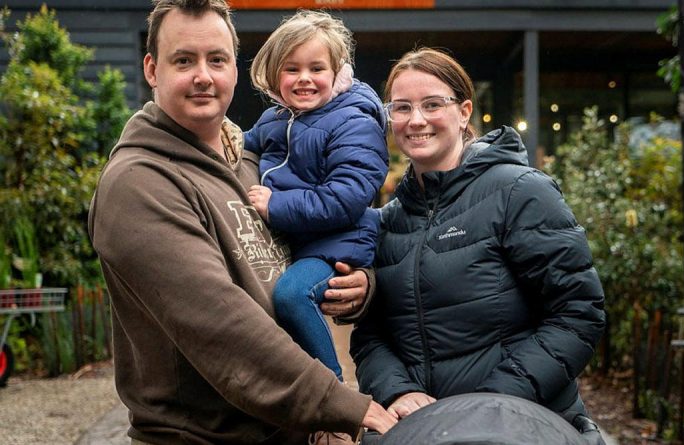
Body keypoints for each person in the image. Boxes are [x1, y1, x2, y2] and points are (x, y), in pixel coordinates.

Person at [87, 1, 396, 444]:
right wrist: (342, 404)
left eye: (217, 59)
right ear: (152, 70)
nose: (203, 75)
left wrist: (355, 280)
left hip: (286, 430)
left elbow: (309, 233)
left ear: (235, 69)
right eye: (184, 60)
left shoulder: (250, 161)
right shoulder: (139, 184)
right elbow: (223, 328)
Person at [350, 48, 606, 442]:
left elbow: (578, 313)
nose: (415, 120)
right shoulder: (386, 221)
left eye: (432, 104)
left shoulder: (519, 192)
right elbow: (371, 334)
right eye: (401, 108)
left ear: (464, 111)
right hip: (422, 431)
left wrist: (489, 405)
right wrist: (397, 391)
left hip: (522, 426)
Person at [244, 10, 388, 386]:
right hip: (302, 240)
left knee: (292, 296)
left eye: (316, 68)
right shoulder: (276, 118)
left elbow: (346, 197)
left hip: (337, 244)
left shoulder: (353, 121)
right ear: (276, 75)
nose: (304, 78)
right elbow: (241, 145)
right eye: (292, 69)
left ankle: (332, 390)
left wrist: (276, 205)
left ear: (338, 73)